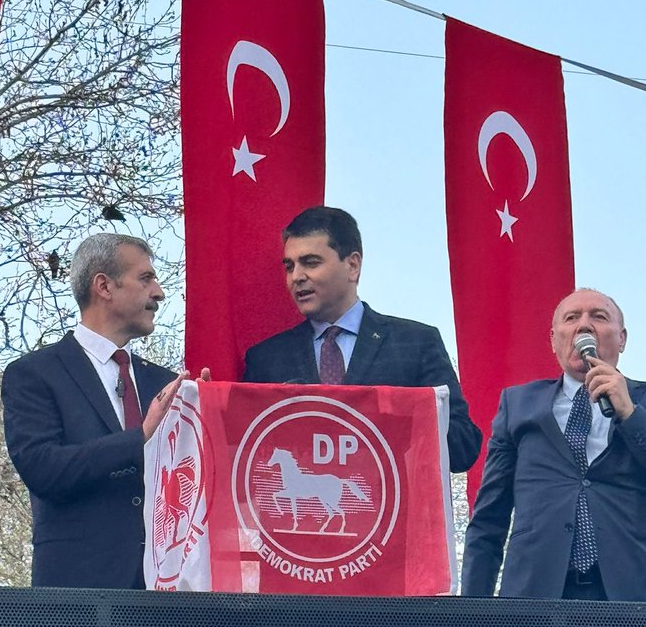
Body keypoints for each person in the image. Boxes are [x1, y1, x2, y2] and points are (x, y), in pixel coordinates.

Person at [2, 233, 194, 589]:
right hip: (80, 599)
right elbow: (43, 470)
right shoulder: (34, 374)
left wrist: (205, 413)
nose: (159, 292)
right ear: (104, 286)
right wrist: (139, 438)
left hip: (168, 594)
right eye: (145, 278)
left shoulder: (167, 384)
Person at [242, 205, 482, 473]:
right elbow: (244, 455)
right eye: (290, 266)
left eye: (311, 262)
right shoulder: (266, 359)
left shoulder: (416, 344)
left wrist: (397, 413)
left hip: (392, 511)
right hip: (305, 509)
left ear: (353, 265)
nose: (296, 277)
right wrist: (198, 404)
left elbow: (463, 449)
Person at [462, 288, 646, 601]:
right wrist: (471, 612)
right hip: (535, 596)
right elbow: (489, 519)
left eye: (598, 317)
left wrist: (630, 414)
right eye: (571, 318)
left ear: (623, 338)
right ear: (553, 340)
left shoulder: (639, 403)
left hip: (630, 597)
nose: (584, 326)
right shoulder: (518, 405)